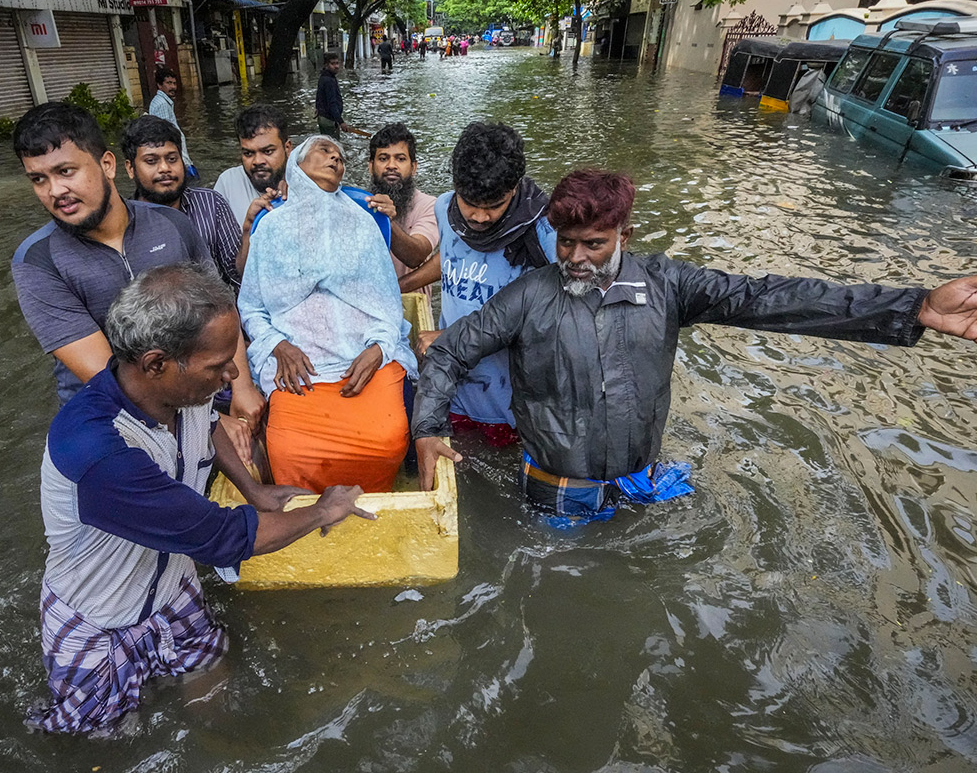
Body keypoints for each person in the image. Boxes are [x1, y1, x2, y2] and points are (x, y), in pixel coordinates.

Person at [413, 168, 977, 520]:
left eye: (594, 243)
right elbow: (447, 352)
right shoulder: (529, 295)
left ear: (625, 236)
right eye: (565, 244)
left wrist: (916, 307)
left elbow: (770, 299)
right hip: (559, 484)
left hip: (641, 472)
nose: (576, 259)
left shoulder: (668, 285)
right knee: (563, 584)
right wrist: (430, 429)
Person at [29, 264, 373, 734]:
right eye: (218, 365)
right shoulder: (99, 451)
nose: (232, 375)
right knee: (105, 741)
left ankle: (220, 747)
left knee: (212, 685)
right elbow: (224, 538)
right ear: (156, 363)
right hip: (97, 619)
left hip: (171, 585)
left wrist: (253, 488)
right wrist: (323, 509)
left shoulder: (182, 394)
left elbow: (210, 428)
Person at [9, 103, 264, 449]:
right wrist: (213, 426)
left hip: (196, 393)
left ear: (108, 164)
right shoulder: (38, 261)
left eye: (66, 171)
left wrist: (244, 388)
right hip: (112, 419)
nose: (54, 191)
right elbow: (110, 376)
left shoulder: (171, 223)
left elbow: (220, 312)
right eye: (39, 179)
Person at [239, 136, 417, 494]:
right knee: (289, 448)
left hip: (362, 353)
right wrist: (278, 345)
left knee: (387, 436)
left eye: (339, 155)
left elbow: (387, 302)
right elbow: (252, 307)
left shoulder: (363, 224)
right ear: (297, 165)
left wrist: (380, 349)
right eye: (324, 150)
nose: (335, 157)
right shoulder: (271, 229)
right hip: (298, 360)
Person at [400, 122, 556, 445]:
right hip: (453, 391)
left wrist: (448, 336)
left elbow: (559, 319)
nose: (481, 218)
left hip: (509, 405)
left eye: (494, 207)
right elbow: (452, 256)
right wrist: (403, 284)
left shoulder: (545, 233)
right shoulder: (444, 208)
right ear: (456, 185)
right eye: (471, 204)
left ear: (514, 189)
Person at [122, 115, 241, 291]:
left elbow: (238, 277)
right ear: (130, 168)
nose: (164, 168)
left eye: (171, 159)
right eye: (151, 161)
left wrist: (247, 232)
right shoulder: (123, 222)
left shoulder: (211, 204)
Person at [362, 122, 439, 294]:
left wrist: (385, 220)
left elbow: (416, 255)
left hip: (412, 308)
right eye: (383, 158)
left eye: (400, 159)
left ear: (413, 168)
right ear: (371, 166)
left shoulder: (429, 205)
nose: (391, 165)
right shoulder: (358, 205)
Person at [213, 104, 293, 226]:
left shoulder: (307, 181)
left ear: (287, 148)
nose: (258, 161)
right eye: (248, 153)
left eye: (268, 151)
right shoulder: (228, 183)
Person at [147, 67, 194, 174]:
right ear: (159, 85)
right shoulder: (162, 104)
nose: (173, 87)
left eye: (174, 83)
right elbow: (165, 136)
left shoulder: (160, 101)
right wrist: (182, 162)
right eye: (168, 83)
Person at [315, 53, 350, 138]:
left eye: (337, 63)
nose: (336, 66)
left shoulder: (324, 77)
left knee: (327, 143)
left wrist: (318, 108)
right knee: (333, 146)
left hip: (324, 117)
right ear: (326, 65)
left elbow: (319, 95)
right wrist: (341, 122)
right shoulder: (329, 80)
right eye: (333, 64)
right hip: (328, 120)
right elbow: (332, 103)